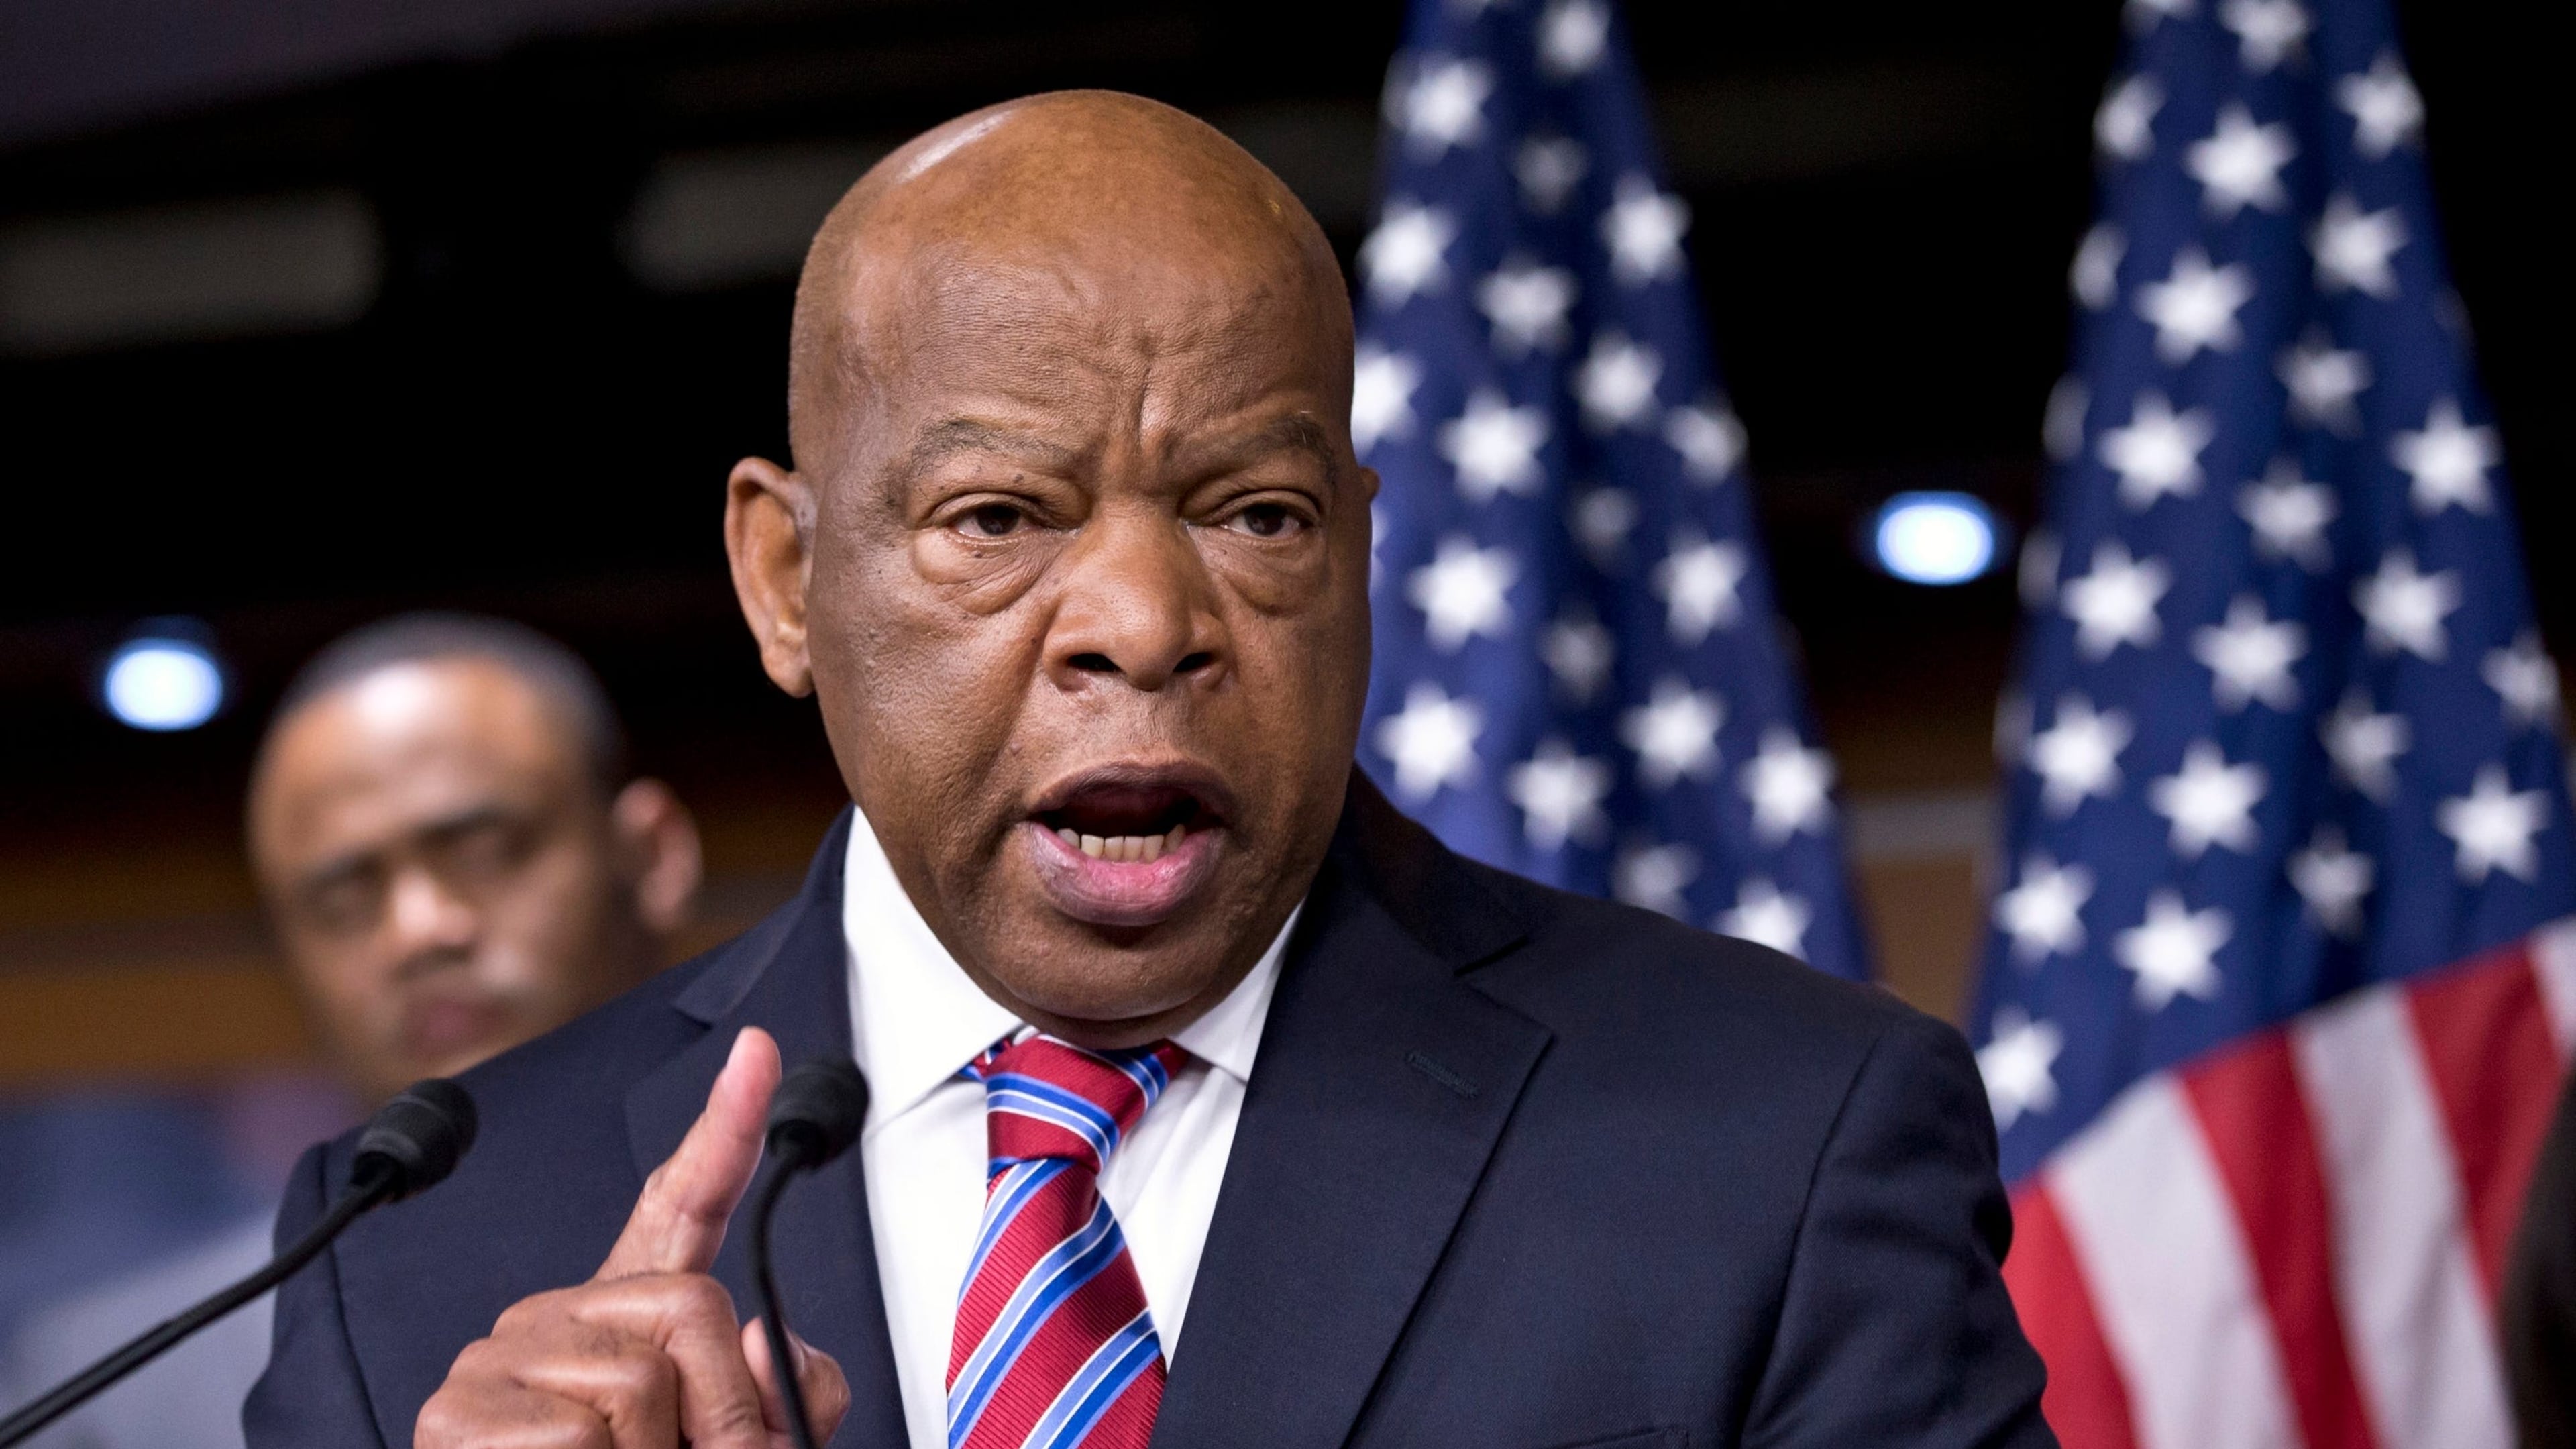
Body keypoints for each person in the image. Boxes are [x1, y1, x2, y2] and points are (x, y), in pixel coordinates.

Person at [247, 94, 2052, 1449]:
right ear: (787, 581)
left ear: (1357, 554)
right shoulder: (415, 1249)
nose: (1141, 622)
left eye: (1256, 514)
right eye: (998, 517)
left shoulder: (1779, 1150)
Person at [1, 614, 702, 1449]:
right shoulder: (123, 1389)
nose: (419, 930)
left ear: (652, 856)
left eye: (483, 851)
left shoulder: (865, 1212)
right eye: (342, 900)